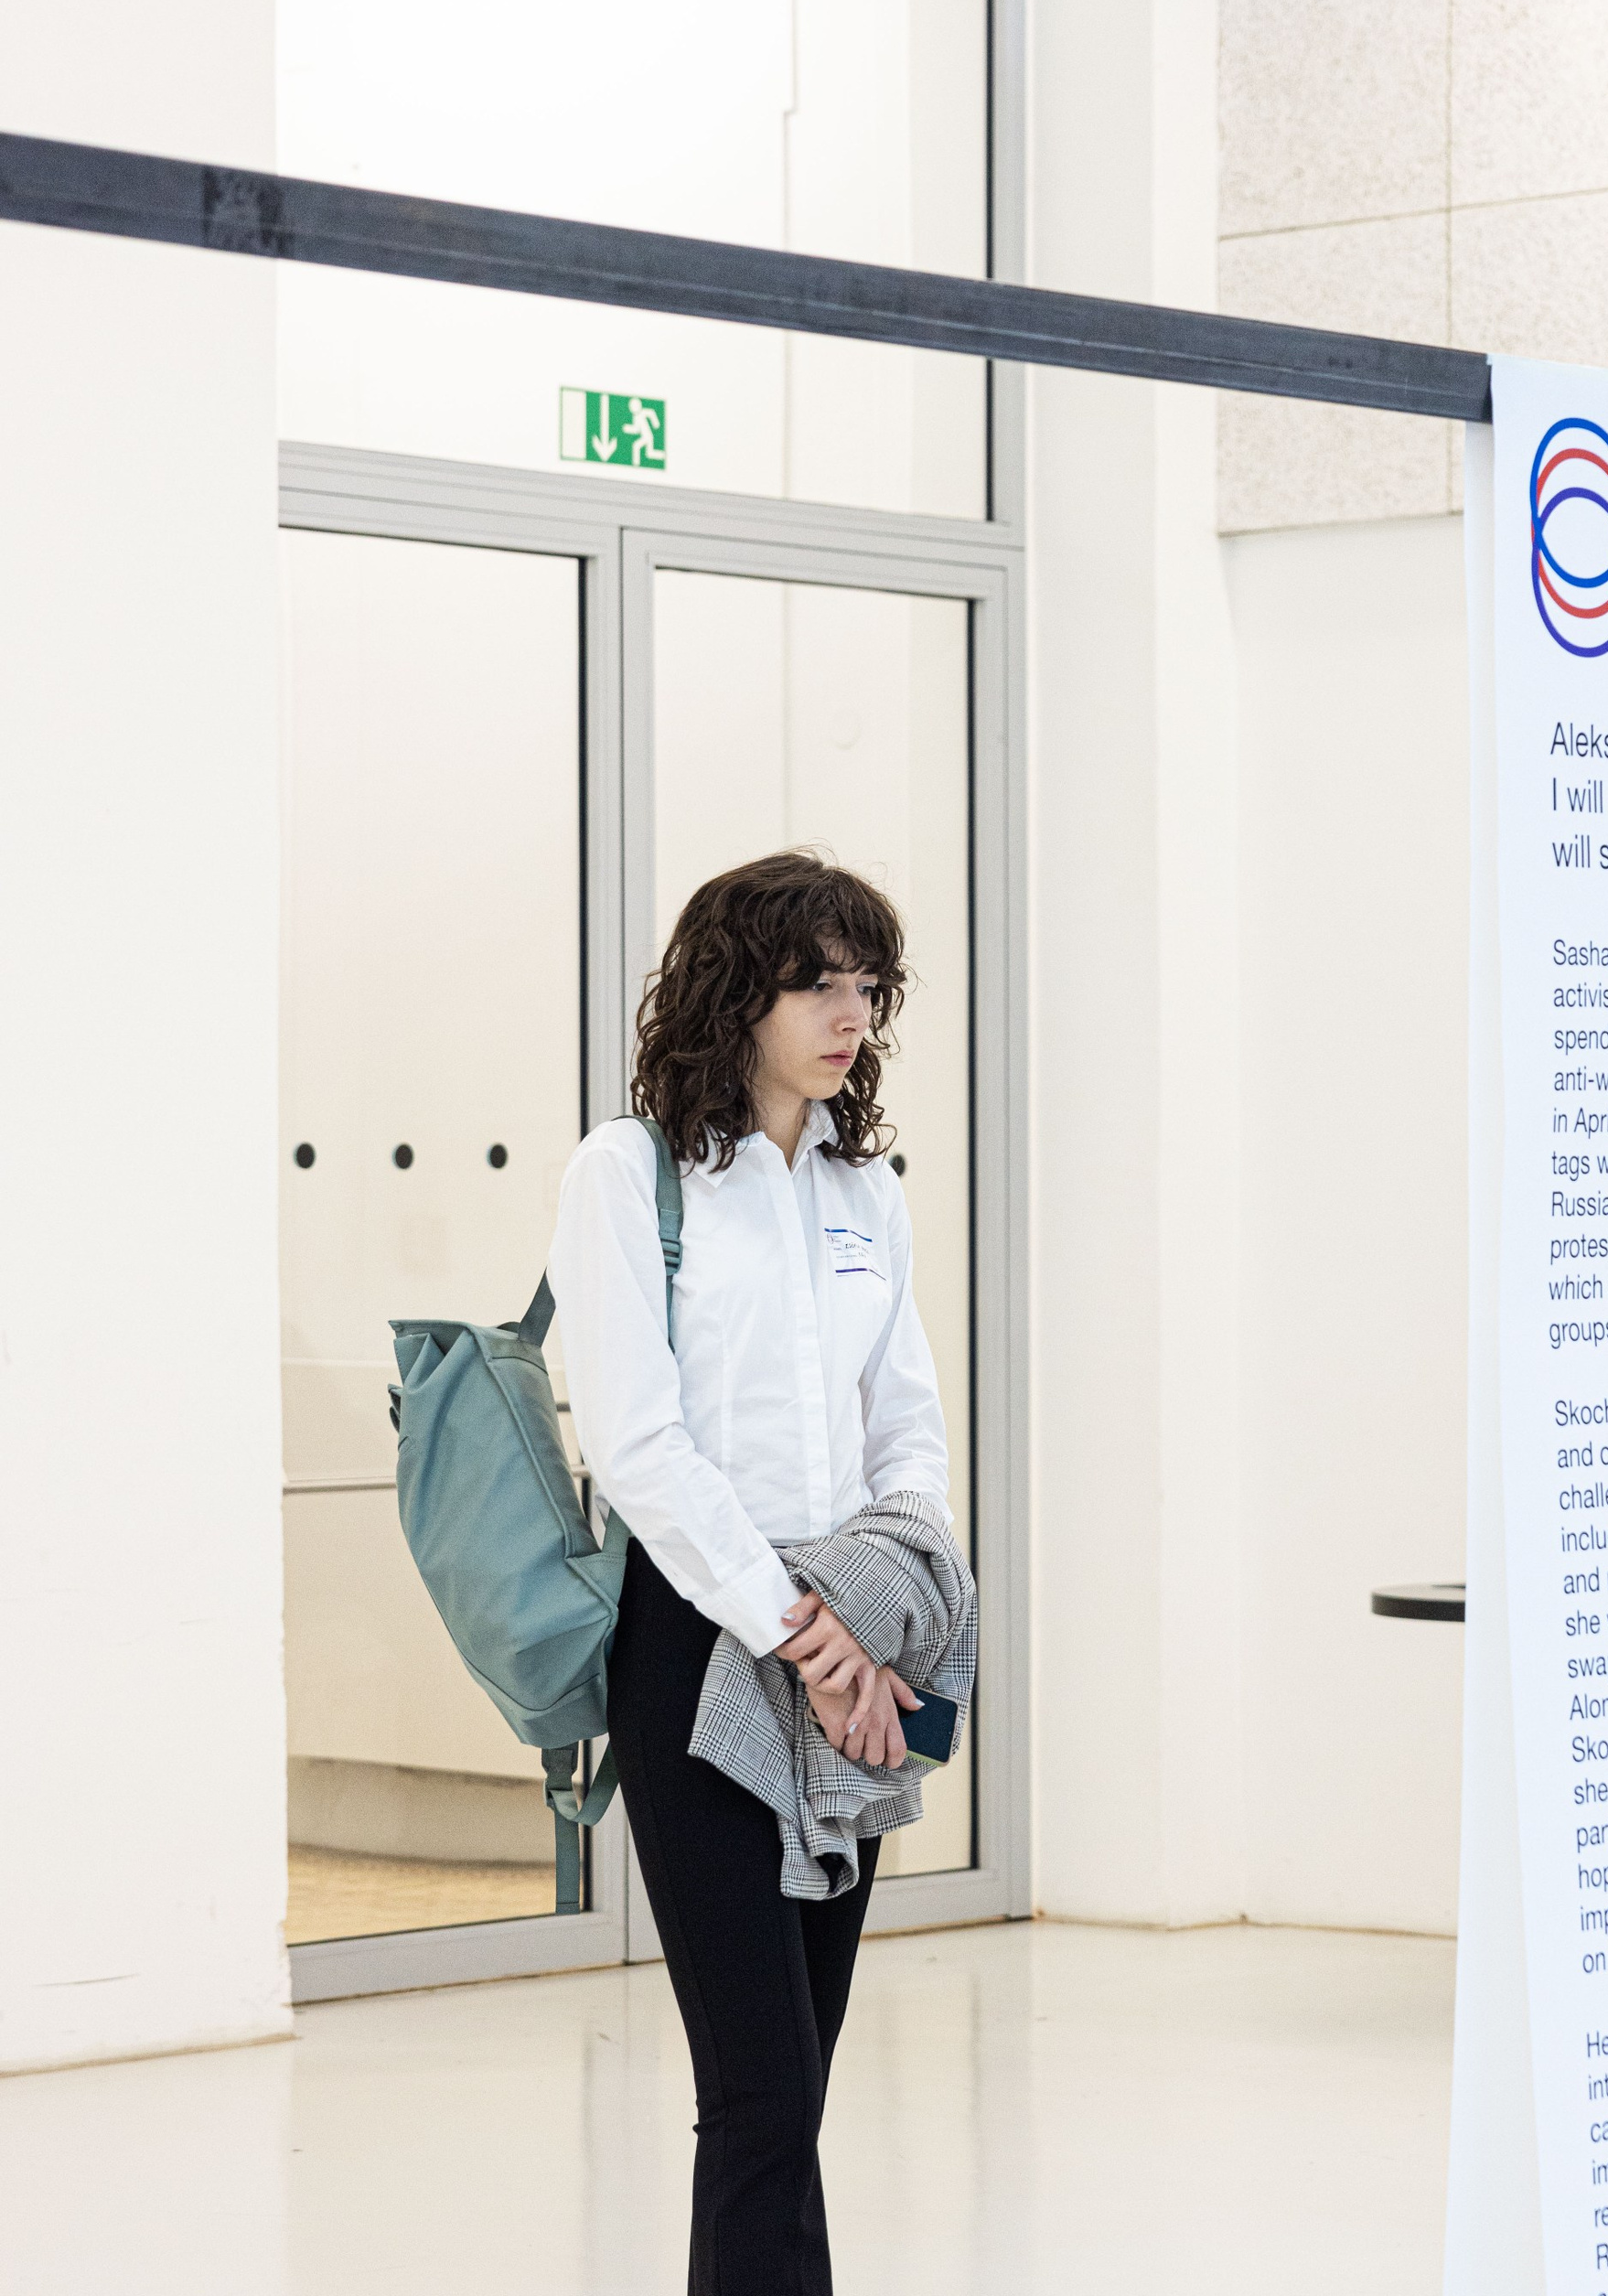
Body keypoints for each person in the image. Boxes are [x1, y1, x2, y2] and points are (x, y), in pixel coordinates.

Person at [549, 849, 954, 2293]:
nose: (851, 1015)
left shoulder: (863, 1187)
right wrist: (805, 1635)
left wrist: (878, 1617)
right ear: (738, 991)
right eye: (817, 983)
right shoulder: (631, 1171)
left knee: (806, 2080)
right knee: (762, 2089)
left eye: (867, 988)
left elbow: (907, 1426)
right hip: (704, 1638)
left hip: (854, 1639)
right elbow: (639, 1446)